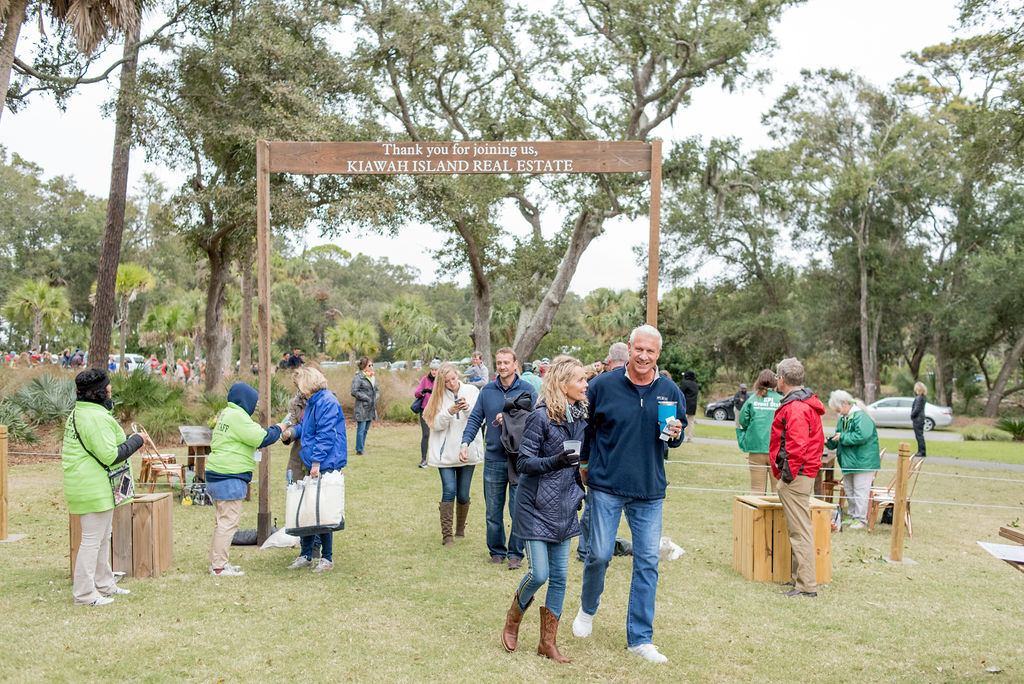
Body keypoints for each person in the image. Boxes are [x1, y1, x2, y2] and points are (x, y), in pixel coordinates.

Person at [572, 325, 686, 664]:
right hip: (606, 484)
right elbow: (585, 430)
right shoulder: (602, 386)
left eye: (651, 351)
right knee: (599, 554)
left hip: (649, 490)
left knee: (648, 562)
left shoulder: (669, 390)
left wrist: (676, 433)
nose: (644, 356)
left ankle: (640, 639)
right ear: (629, 348)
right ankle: (588, 608)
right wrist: (583, 464)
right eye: (639, 349)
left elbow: (676, 436)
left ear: (658, 354)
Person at [501, 357, 588, 662]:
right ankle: (513, 618)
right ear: (563, 384)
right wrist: (556, 461)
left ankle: (547, 643)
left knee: (560, 577)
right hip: (535, 506)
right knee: (539, 574)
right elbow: (523, 462)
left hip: (564, 506)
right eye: (580, 380)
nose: (586, 385)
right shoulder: (540, 417)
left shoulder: (580, 417)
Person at [62, 369, 145, 606]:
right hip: (92, 487)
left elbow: (104, 444)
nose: (111, 393)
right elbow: (110, 455)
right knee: (92, 540)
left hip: (92, 485)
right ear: (99, 393)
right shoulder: (95, 417)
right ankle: (84, 594)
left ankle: (104, 583)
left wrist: (129, 439)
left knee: (102, 538)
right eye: (108, 390)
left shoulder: (82, 412)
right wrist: (137, 441)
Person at [460, 347, 537, 569]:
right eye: (499, 362)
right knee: (493, 511)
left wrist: (512, 419)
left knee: (518, 510)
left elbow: (536, 420)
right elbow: (475, 419)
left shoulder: (528, 390)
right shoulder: (487, 391)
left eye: (506, 362)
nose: (502, 366)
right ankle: (496, 551)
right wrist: (465, 442)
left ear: (515, 364)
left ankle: (515, 554)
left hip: (519, 459)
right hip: (494, 459)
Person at [206, 383, 287, 576]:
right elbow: (261, 438)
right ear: (246, 401)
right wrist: (279, 428)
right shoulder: (238, 417)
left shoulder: (226, 413)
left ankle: (219, 562)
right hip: (229, 477)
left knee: (221, 522)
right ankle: (219, 567)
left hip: (216, 474)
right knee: (228, 523)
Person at [282, 366, 347, 572]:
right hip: (311, 460)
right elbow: (307, 428)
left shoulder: (327, 402)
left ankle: (327, 557)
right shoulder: (312, 402)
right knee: (307, 506)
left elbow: (325, 434)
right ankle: (306, 554)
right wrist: (291, 432)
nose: (299, 391)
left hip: (326, 462)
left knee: (323, 509)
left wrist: (317, 463)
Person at [769, 357, 825, 598]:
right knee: (797, 528)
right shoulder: (800, 404)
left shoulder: (797, 408)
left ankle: (806, 585)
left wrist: (787, 476)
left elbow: (797, 445)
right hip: (800, 473)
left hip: (797, 475)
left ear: (781, 379)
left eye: (777, 377)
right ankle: (798, 578)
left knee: (800, 531)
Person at [576, 340, 629, 563]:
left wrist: (584, 461)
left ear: (608, 359)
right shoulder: (601, 385)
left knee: (594, 506)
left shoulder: (595, 385)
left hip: (600, 459)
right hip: (617, 460)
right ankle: (587, 549)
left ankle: (586, 548)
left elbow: (585, 428)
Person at [423, 362, 483, 545]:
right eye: (447, 381)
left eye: (453, 379)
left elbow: (481, 419)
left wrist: (467, 408)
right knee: (449, 490)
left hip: (467, 451)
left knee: (463, 494)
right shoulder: (438, 396)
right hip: (446, 454)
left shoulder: (472, 391)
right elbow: (434, 424)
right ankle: (447, 535)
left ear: (458, 375)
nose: (452, 383)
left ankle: (460, 529)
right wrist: (449, 412)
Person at [826, 389, 880, 530]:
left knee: (860, 491)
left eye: (838, 408)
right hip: (849, 460)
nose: (837, 411)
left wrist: (842, 437)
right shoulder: (843, 418)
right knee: (849, 490)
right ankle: (852, 516)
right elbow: (839, 436)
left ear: (845, 403)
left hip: (863, 461)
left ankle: (860, 519)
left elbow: (862, 436)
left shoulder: (861, 417)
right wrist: (829, 441)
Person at [736, 369, 783, 494]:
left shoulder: (752, 399)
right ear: (775, 382)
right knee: (777, 492)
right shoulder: (782, 400)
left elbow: (742, 420)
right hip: (777, 451)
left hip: (756, 449)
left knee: (756, 490)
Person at [351, 356, 380, 455]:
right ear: (364, 366)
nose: (371, 367)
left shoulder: (372, 377)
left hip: (371, 407)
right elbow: (354, 391)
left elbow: (376, 390)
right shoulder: (358, 377)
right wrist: (367, 398)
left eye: (372, 365)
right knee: (361, 429)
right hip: (362, 408)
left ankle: (361, 448)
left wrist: (376, 397)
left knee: (366, 429)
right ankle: (359, 449)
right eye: (369, 365)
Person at [415, 360, 441, 468]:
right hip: (424, 411)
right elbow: (416, 393)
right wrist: (423, 391)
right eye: (432, 369)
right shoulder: (425, 379)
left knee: (439, 434)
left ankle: (439, 457)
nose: (434, 372)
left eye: (436, 370)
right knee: (426, 434)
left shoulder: (441, 381)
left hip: (437, 410)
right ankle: (423, 459)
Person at [678, 370, 699, 442]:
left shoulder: (685, 383)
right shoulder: (695, 384)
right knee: (691, 422)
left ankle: (679, 437)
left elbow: (679, 392)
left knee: (680, 421)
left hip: (685, 405)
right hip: (693, 406)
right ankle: (690, 438)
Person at [911, 381, 928, 458]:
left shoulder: (919, 398)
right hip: (920, 418)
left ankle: (921, 451)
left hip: (918, 419)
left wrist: (912, 415)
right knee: (920, 435)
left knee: (919, 436)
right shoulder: (923, 397)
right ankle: (921, 450)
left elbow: (917, 408)